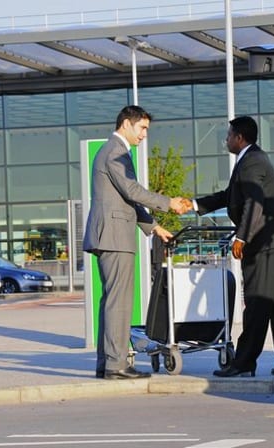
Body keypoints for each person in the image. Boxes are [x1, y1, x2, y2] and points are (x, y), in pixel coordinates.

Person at [84, 105, 193, 380]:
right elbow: (132, 191)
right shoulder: (115, 151)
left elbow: (127, 198)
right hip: (114, 235)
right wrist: (169, 203)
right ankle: (116, 365)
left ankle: (107, 362)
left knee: (113, 301)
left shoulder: (115, 151)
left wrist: (154, 227)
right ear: (126, 124)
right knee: (118, 302)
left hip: (112, 233)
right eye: (142, 128)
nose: (145, 134)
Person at [194, 116, 274, 378]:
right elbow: (229, 196)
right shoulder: (251, 160)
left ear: (239, 138)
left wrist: (241, 237)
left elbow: (254, 202)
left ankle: (244, 362)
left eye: (228, 135)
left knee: (257, 303)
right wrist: (194, 205)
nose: (226, 140)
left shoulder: (251, 162)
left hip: (264, 243)